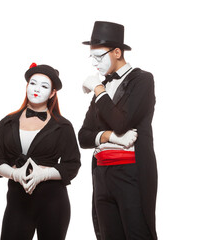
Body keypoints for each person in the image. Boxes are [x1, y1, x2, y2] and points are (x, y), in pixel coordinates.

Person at [78, 21, 158, 240]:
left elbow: (121, 122)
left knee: (138, 234)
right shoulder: (101, 86)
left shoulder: (142, 80)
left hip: (131, 173)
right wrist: (109, 136)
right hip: (102, 174)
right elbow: (83, 137)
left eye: (99, 57)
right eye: (91, 57)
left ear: (117, 52)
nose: (95, 64)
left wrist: (98, 90)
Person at [0, 63, 81, 240]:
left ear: (53, 93)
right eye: (33, 83)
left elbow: (72, 165)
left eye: (44, 86)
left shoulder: (63, 126)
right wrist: (14, 173)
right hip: (17, 202)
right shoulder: (6, 123)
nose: (37, 89)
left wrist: (44, 174)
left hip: (53, 203)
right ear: (26, 86)